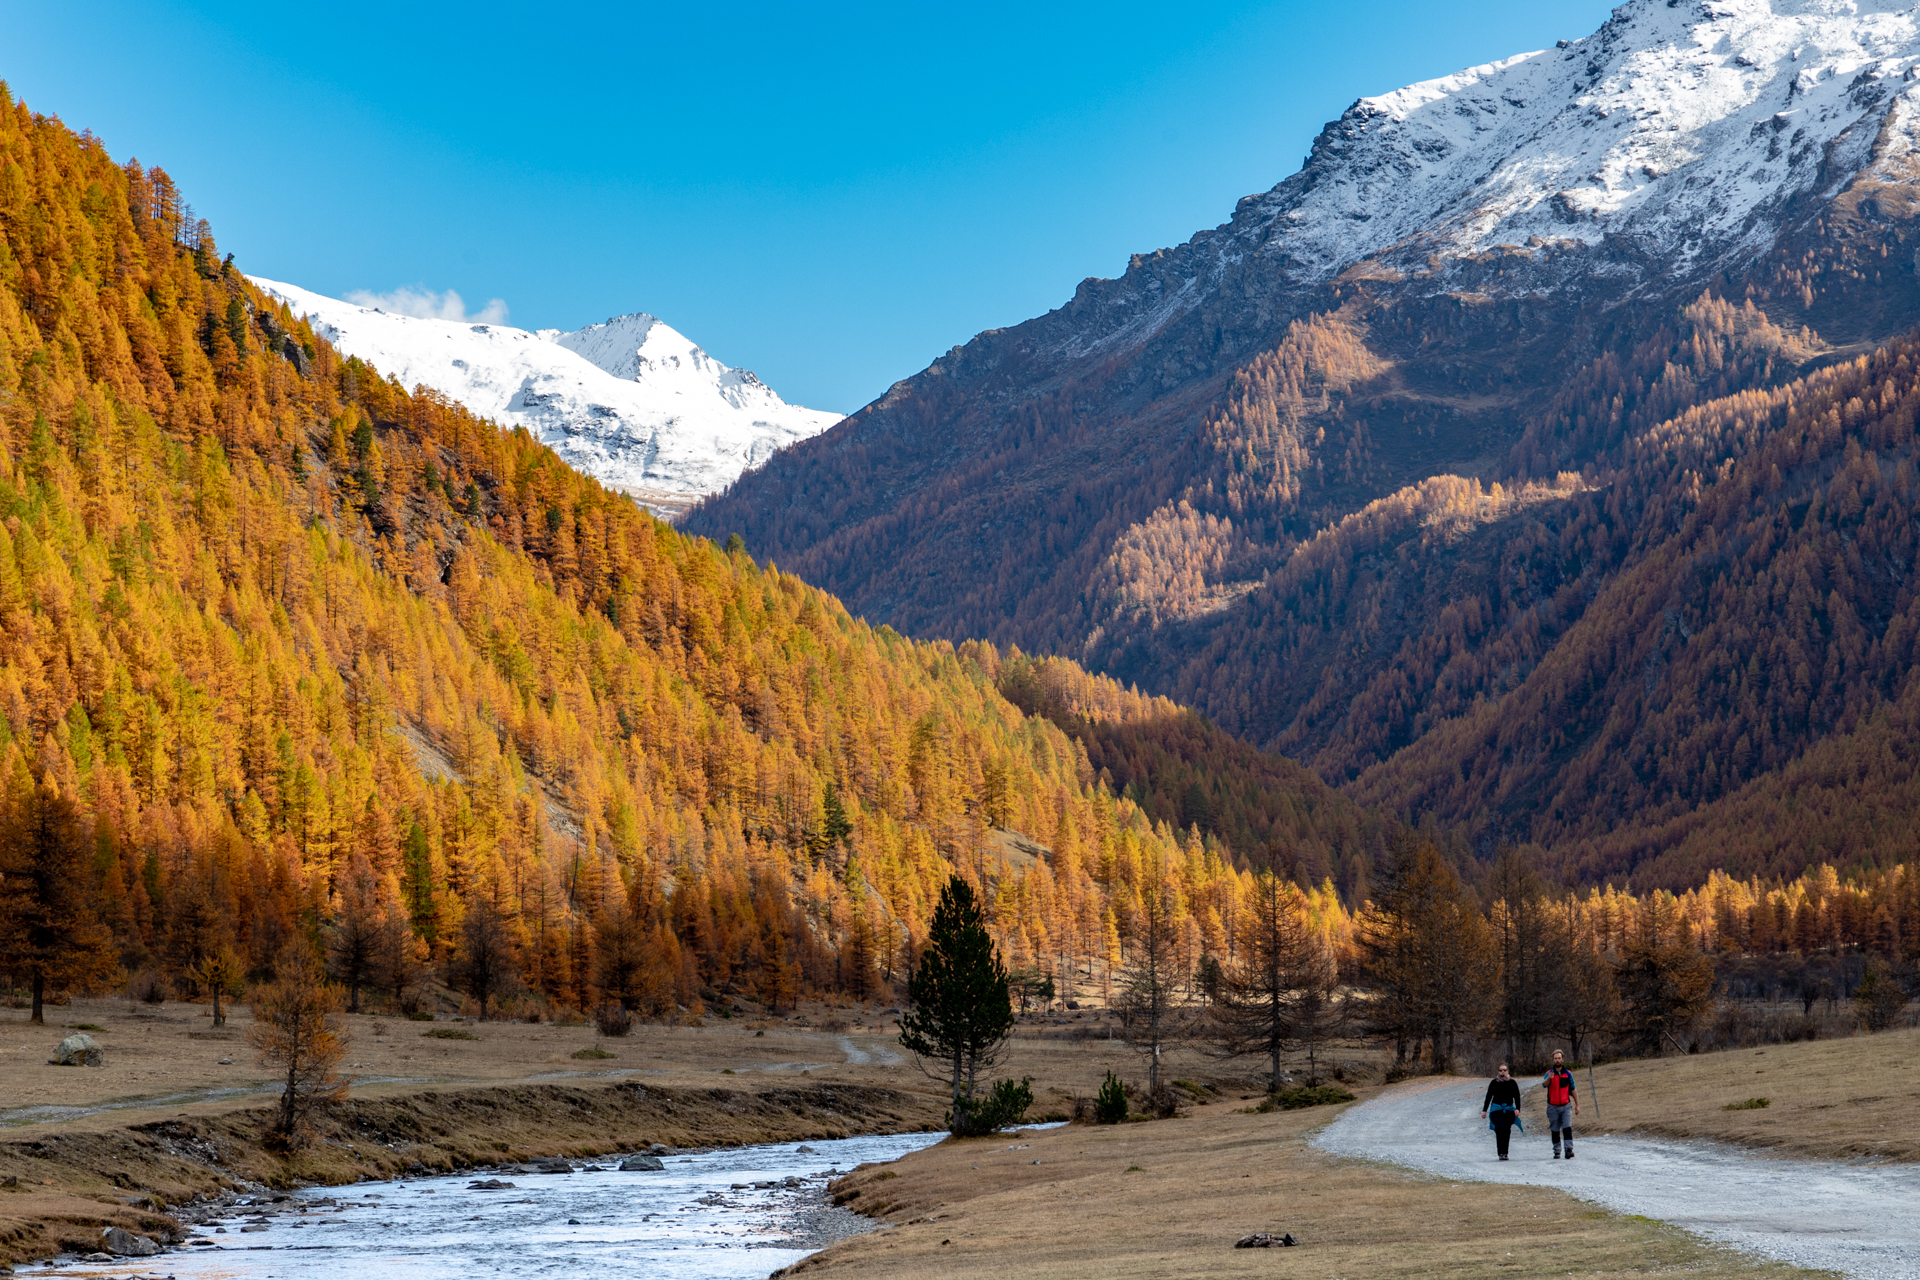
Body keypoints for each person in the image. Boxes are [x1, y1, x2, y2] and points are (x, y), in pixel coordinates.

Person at [1543, 1049, 1580, 1159]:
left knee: (1567, 1127)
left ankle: (1568, 1150)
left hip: (1565, 1106)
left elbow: (1573, 1089)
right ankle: (1557, 1151)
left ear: (1562, 1059)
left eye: (1559, 1058)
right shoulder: (1549, 1073)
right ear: (1553, 1060)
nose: (1557, 1060)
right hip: (1552, 1106)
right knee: (1555, 1129)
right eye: (1555, 1058)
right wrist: (1549, 1079)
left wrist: (1577, 1104)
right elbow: (1544, 1085)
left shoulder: (1568, 1074)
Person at [1480, 1063, 1522, 1160]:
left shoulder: (1512, 1083)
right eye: (1500, 1070)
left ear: (1508, 1071)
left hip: (1509, 1110)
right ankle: (1500, 1153)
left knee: (1507, 1130)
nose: (1502, 1072)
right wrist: (1484, 1110)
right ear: (1498, 1072)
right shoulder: (1494, 1083)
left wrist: (1517, 1108)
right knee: (1500, 1128)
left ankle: (1505, 1153)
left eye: (1504, 1070)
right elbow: (1489, 1096)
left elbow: (1517, 1096)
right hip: (1496, 1110)